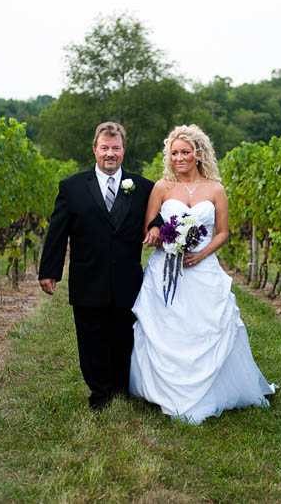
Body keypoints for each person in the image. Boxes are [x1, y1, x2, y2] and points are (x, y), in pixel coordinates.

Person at [129, 124, 276, 424]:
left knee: (209, 326)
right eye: (174, 153)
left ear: (198, 154)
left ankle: (212, 390)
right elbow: (149, 225)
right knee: (166, 326)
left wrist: (202, 254)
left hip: (203, 268)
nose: (179, 158)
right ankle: (166, 391)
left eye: (185, 152)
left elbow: (222, 233)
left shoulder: (215, 189)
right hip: (166, 269)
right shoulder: (162, 187)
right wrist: (158, 232)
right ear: (168, 157)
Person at [38, 121, 161, 411]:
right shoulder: (71, 187)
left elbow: (156, 218)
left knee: (123, 335)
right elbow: (58, 231)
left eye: (115, 148)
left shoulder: (143, 187)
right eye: (104, 148)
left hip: (128, 277)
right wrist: (49, 271)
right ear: (95, 149)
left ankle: (121, 387)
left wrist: (156, 227)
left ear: (123, 151)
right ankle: (100, 392)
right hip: (88, 276)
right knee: (91, 337)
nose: (110, 153)